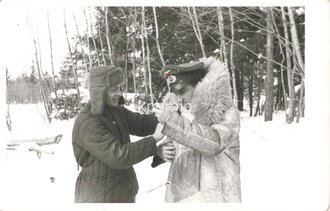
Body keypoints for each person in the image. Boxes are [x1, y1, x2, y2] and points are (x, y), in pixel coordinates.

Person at [72, 65, 175, 203]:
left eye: (120, 88)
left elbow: (142, 123)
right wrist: (154, 139)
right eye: (114, 89)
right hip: (99, 197)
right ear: (99, 93)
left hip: (123, 192)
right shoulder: (88, 122)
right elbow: (118, 156)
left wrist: (169, 113)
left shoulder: (115, 111)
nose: (120, 93)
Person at [152, 56, 241, 202]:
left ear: (201, 85)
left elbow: (215, 142)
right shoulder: (181, 113)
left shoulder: (226, 112)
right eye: (175, 94)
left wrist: (171, 121)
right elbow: (179, 140)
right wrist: (161, 152)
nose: (178, 99)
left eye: (182, 92)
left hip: (217, 197)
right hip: (184, 196)